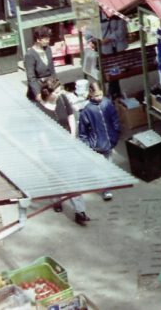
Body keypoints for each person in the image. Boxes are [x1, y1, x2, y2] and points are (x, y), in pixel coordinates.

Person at [38, 77, 89, 224]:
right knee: (55, 177)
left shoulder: (63, 99)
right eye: (57, 91)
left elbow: (71, 116)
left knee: (72, 179)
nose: (60, 93)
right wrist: (50, 151)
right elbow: (41, 133)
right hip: (51, 149)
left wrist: (72, 135)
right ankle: (57, 200)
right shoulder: (40, 108)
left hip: (67, 146)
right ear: (48, 92)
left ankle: (80, 211)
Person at [77, 81, 121, 201]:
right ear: (90, 94)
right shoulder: (87, 110)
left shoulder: (107, 103)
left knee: (108, 165)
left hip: (109, 142)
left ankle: (107, 186)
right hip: (96, 145)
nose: (99, 98)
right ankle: (105, 188)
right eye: (96, 95)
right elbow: (82, 131)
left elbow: (115, 119)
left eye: (100, 95)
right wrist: (88, 145)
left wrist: (116, 133)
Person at [25, 26, 55, 101]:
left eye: (49, 38)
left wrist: (55, 85)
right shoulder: (30, 55)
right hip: (38, 90)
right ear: (38, 40)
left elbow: (52, 70)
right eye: (46, 39)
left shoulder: (48, 49)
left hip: (49, 87)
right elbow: (31, 77)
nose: (48, 41)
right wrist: (38, 94)